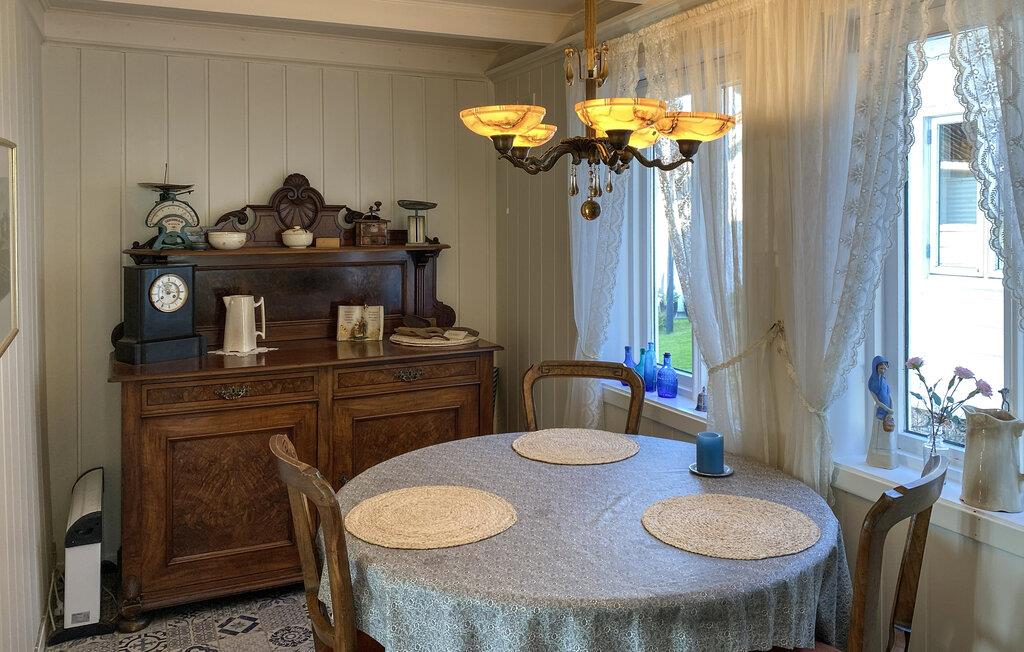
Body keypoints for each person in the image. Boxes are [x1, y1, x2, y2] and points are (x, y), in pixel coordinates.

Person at [866, 354, 898, 468]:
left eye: (884, 368)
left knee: (888, 433)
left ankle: (889, 460)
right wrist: (887, 409)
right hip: (880, 410)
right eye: (880, 368)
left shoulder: (884, 381)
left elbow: (889, 395)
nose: (883, 370)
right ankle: (877, 459)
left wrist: (892, 408)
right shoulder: (872, 382)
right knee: (879, 434)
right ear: (875, 368)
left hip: (889, 411)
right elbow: (877, 401)